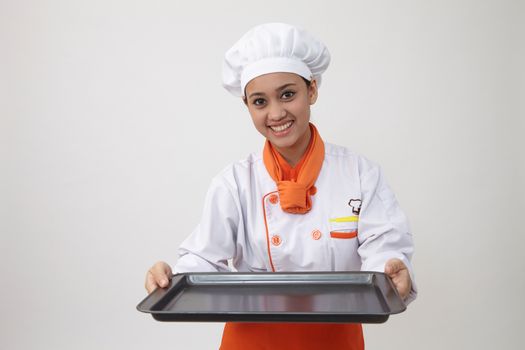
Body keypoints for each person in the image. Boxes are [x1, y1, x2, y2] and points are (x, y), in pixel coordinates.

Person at [145, 22, 416, 350]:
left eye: (288, 94)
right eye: (260, 101)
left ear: (312, 90)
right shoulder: (234, 183)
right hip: (250, 339)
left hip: (335, 338)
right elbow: (202, 263)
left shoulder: (359, 174)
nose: (276, 112)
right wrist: (169, 279)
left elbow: (384, 250)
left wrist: (392, 274)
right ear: (247, 106)